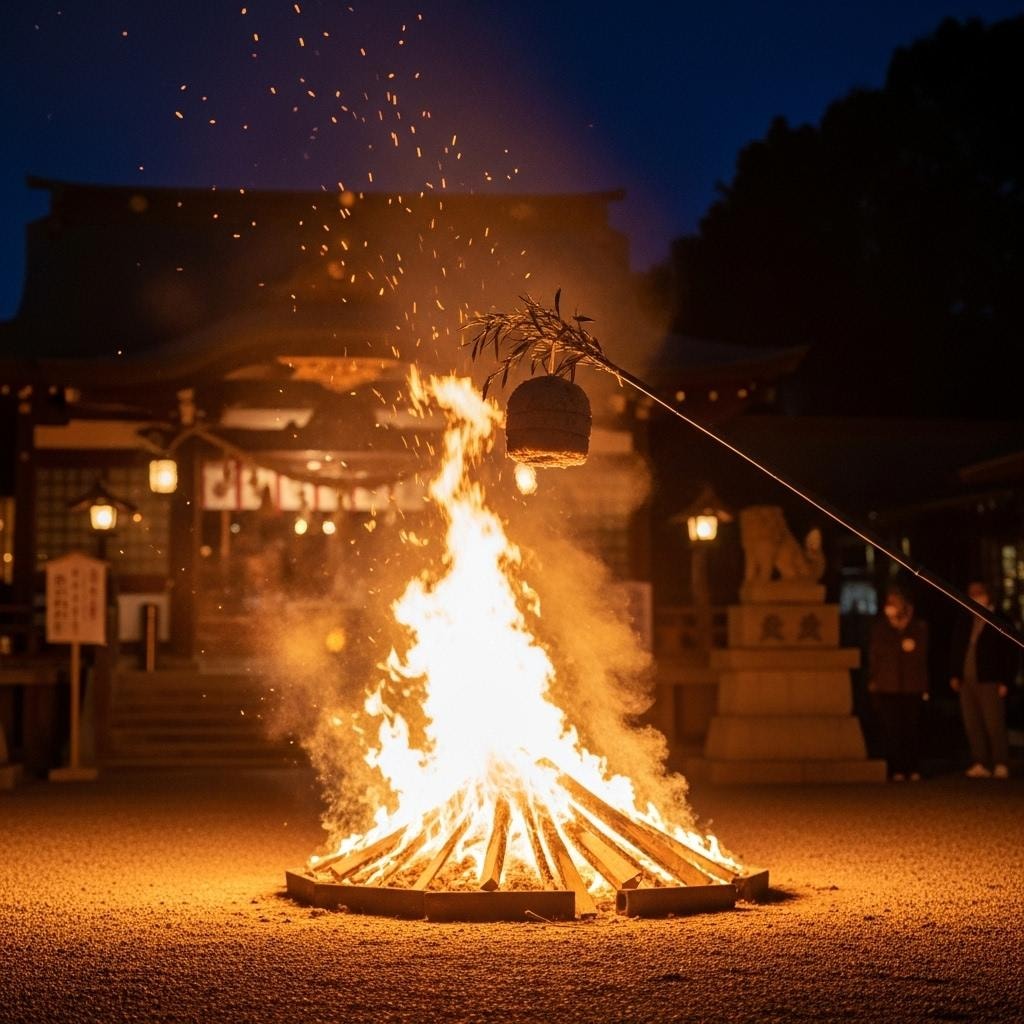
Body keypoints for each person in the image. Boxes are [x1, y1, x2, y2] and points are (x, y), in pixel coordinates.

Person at [949, 581, 1017, 779]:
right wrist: (955, 674)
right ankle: (980, 761)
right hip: (967, 681)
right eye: (972, 593)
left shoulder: (1000, 620)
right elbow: (957, 648)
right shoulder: (965, 620)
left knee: (994, 723)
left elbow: (1010, 654)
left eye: (979, 593)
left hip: (990, 680)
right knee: (973, 723)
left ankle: (1001, 762)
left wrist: (1006, 680)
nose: (975, 597)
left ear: (988, 595)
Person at [867, 585, 929, 781]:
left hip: (911, 685)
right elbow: (874, 656)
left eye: (894, 602)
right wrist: (873, 679)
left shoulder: (917, 626)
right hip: (888, 685)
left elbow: (922, 656)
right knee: (892, 729)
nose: (891, 606)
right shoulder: (881, 628)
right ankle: (896, 768)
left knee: (911, 728)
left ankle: (913, 767)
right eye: (889, 602)